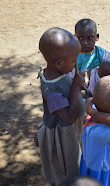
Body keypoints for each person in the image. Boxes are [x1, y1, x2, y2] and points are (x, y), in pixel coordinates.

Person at [37, 27, 86, 185]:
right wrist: (75, 87)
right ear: (58, 63)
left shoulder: (58, 72)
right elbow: (68, 116)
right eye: (73, 61)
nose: (75, 64)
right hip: (62, 136)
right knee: (67, 169)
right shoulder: (51, 90)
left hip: (70, 131)